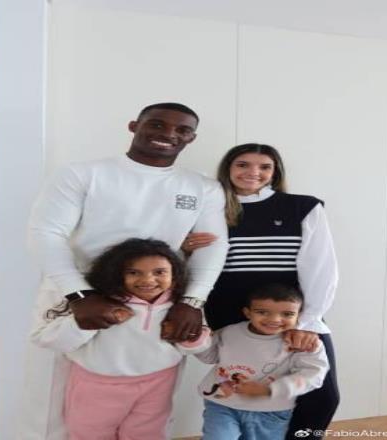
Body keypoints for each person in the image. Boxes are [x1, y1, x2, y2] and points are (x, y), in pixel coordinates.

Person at [19, 103, 229, 439]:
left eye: (181, 130)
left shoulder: (202, 187)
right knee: (55, 404)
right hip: (78, 292)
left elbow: (213, 246)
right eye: (157, 124)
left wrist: (192, 301)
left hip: (157, 297)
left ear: (191, 138)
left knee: (151, 409)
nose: (168, 134)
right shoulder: (82, 174)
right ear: (134, 126)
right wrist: (80, 294)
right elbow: (45, 233)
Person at [182, 143, 339, 439]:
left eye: (264, 167)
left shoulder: (303, 207)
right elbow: (193, 266)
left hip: (288, 316)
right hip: (229, 313)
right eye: (243, 164)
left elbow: (321, 268)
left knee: (322, 397)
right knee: (243, 392)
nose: (253, 172)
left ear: (275, 172)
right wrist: (184, 250)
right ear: (228, 168)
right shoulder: (210, 209)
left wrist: (308, 322)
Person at [31, 238, 211, 440]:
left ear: (174, 275)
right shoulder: (101, 302)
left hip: (159, 382)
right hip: (99, 384)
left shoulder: (182, 306)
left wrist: (186, 336)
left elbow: (199, 345)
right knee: (90, 432)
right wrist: (93, 321)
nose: (148, 280)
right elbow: (53, 340)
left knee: (148, 433)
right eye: (134, 272)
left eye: (159, 272)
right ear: (118, 274)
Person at [196, 283, 329, 440]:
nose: (275, 319)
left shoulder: (303, 343)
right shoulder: (229, 332)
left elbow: (313, 375)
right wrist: (194, 339)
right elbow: (209, 357)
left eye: (287, 314)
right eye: (262, 312)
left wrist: (271, 389)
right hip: (221, 406)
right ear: (247, 313)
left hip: (271, 411)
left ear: (299, 315)